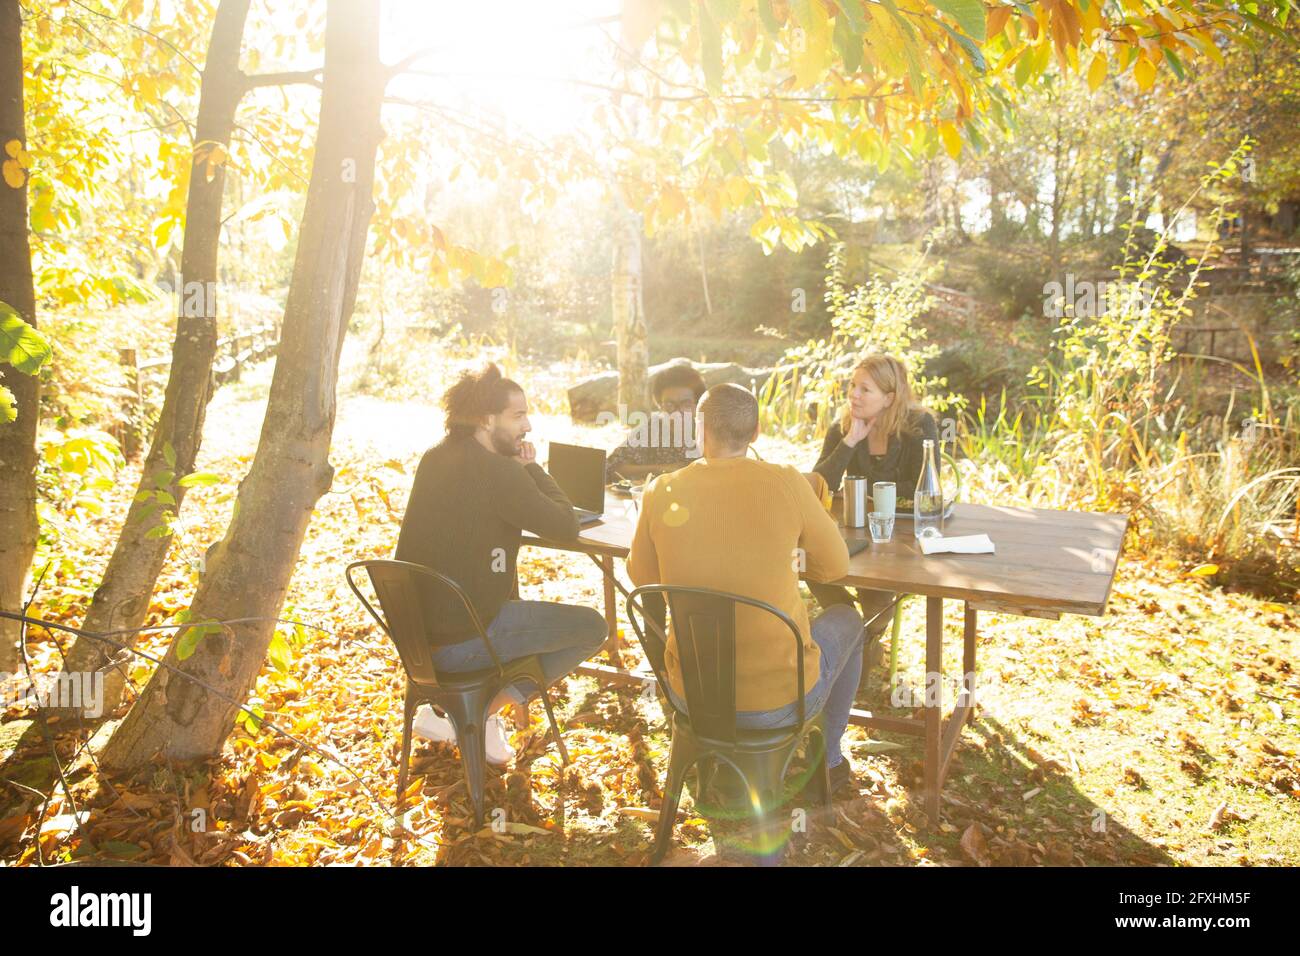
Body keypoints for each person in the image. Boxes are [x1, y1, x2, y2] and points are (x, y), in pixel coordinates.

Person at [627, 383, 864, 794]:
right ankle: (828, 760)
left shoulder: (660, 490)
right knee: (849, 621)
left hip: (693, 699)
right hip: (777, 704)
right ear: (756, 433)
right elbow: (835, 567)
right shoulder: (787, 482)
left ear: (698, 430)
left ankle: (721, 761)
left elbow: (642, 577)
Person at [394, 363, 607, 766]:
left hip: (417, 641)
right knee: (592, 628)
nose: (527, 426)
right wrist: (531, 468)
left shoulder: (436, 457)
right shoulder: (500, 473)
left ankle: (449, 713)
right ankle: (475, 712)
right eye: (518, 415)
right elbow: (563, 525)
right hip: (464, 641)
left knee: (506, 595)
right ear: (485, 419)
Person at [809, 353, 939, 649]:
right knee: (814, 567)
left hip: (902, 536)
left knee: (877, 593)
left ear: (889, 397)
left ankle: (866, 635)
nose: (853, 395)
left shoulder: (919, 425)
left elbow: (926, 489)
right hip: (854, 530)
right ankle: (852, 628)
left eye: (864, 389)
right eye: (853, 386)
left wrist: (869, 491)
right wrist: (850, 442)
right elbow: (818, 486)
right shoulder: (843, 427)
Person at [604, 363, 707, 482]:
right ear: (659, 404)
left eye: (686, 404)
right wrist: (663, 469)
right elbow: (610, 468)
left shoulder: (712, 431)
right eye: (669, 404)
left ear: (699, 404)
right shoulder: (652, 429)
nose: (677, 411)